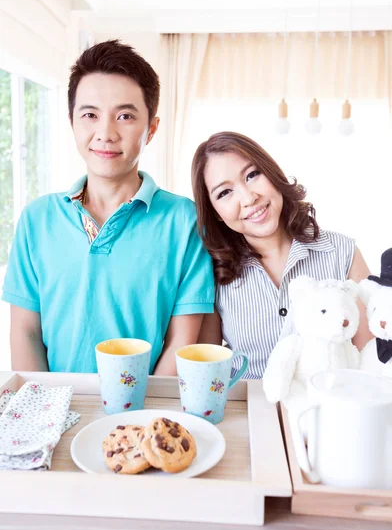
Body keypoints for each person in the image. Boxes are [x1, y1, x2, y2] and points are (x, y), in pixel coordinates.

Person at [2, 40, 214, 375]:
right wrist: (45, 413)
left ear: (152, 129)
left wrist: (141, 421)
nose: (106, 132)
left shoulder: (185, 221)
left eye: (125, 116)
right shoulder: (36, 219)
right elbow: (25, 332)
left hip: (145, 416)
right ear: (72, 121)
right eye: (90, 115)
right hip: (57, 413)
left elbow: (181, 342)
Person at [191, 131, 373, 379]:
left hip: (335, 410)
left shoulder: (342, 252)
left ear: (272, 173)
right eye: (224, 193)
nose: (248, 198)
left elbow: (372, 360)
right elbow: (208, 372)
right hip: (249, 413)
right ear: (216, 213)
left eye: (252, 175)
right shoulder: (212, 271)